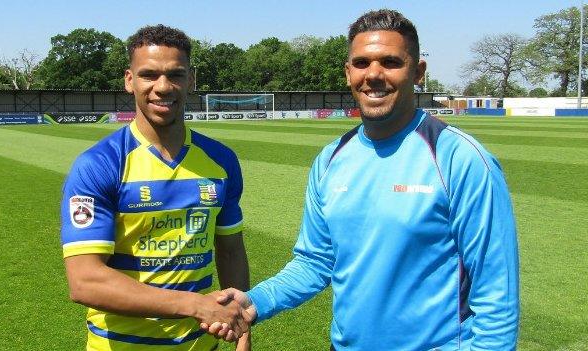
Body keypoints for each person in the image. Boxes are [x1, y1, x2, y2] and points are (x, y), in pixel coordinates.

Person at [206, 9, 520, 351]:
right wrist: (255, 302)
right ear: (347, 73)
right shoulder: (330, 159)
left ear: (418, 73)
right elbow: (316, 261)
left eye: (390, 62)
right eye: (361, 63)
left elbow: (497, 295)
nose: (374, 75)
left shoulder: (460, 159)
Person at [60, 25, 251, 351]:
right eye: (149, 75)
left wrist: (242, 329)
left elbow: (231, 250)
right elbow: (85, 281)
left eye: (175, 74)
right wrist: (193, 305)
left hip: (201, 345)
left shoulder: (222, 161)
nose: (163, 87)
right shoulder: (99, 165)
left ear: (191, 80)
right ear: (129, 80)